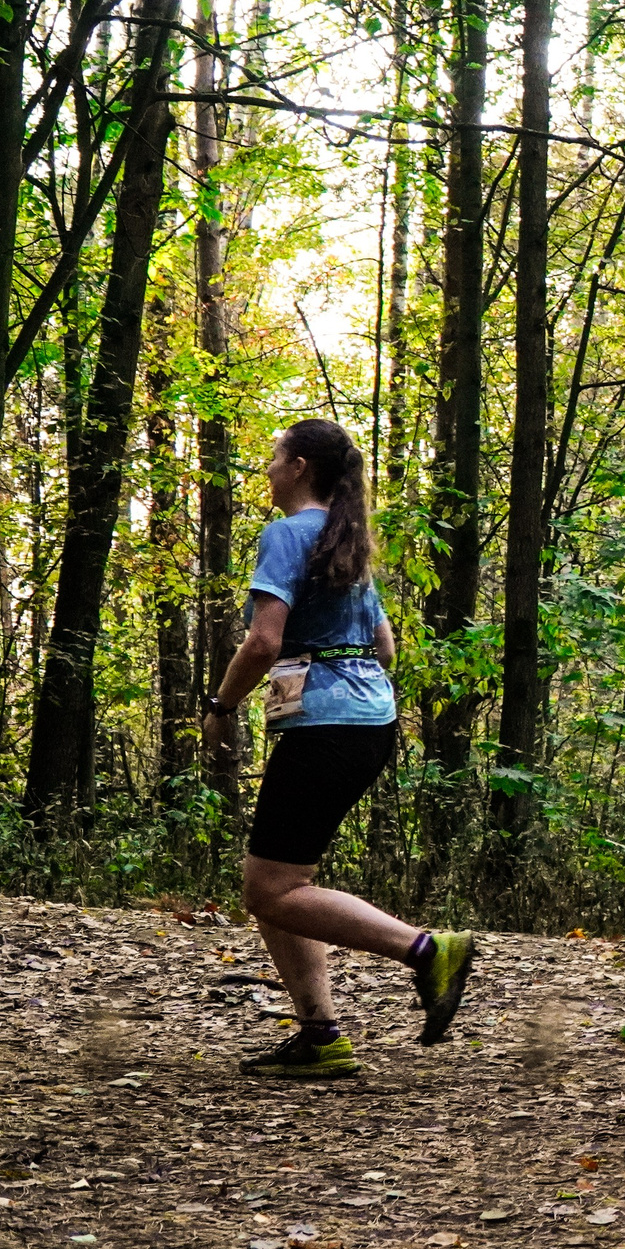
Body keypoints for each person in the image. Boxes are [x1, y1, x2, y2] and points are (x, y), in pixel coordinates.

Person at [201, 417, 476, 1080]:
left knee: (270, 888)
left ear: (299, 467)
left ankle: (427, 949)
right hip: (369, 720)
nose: (267, 469)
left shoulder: (286, 535)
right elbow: (385, 646)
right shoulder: (346, 539)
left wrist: (221, 705)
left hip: (323, 723)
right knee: (279, 883)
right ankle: (320, 1032)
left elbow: (264, 641)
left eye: (273, 458)